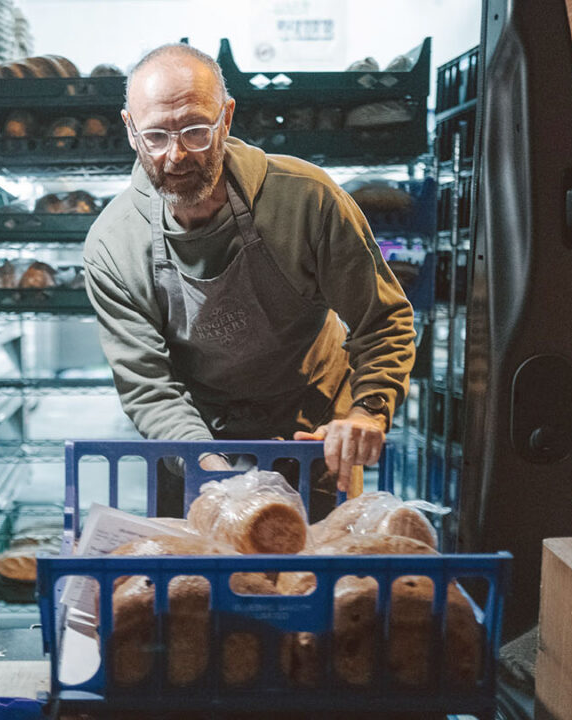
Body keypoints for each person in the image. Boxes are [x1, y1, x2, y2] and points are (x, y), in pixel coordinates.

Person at [83, 43, 415, 511]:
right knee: (201, 582)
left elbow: (382, 321)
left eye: (196, 130)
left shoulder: (306, 202)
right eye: (156, 136)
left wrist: (368, 410)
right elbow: (149, 387)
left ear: (228, 117)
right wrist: (213, 474)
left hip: (310, 438)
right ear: (130, 130)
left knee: (313, 580)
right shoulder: (113, 245)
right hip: (195, 444)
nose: (176, 155)